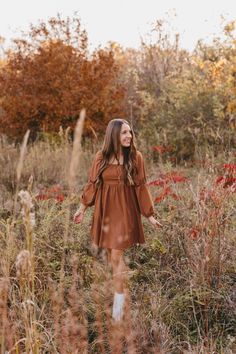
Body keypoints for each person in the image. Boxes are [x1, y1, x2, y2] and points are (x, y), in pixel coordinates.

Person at [73, 118, 162, 322]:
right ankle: (121, 289)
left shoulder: (135, 157)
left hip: (125, 211)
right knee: (112, 258)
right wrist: (82, 209)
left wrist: (150, 216)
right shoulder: (101, 157)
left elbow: (141, 187)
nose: (129, 136)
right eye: (124, 133)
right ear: (113, 135)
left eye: (130, 132)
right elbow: (92, 184)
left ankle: (118, 309)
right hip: (106, 212)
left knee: (115, 257)